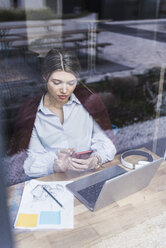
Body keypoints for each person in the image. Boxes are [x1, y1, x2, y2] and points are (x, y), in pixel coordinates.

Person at [9, 48, 116, 181]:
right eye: (56, 82)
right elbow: (27, 163)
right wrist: (53, 165)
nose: (64, 90)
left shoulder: (87, 102)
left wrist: (96, 159)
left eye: (71, 83)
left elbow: (107, 142)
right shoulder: (33, 113)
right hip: (52, 182)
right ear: (45, 77)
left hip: (89, 177)